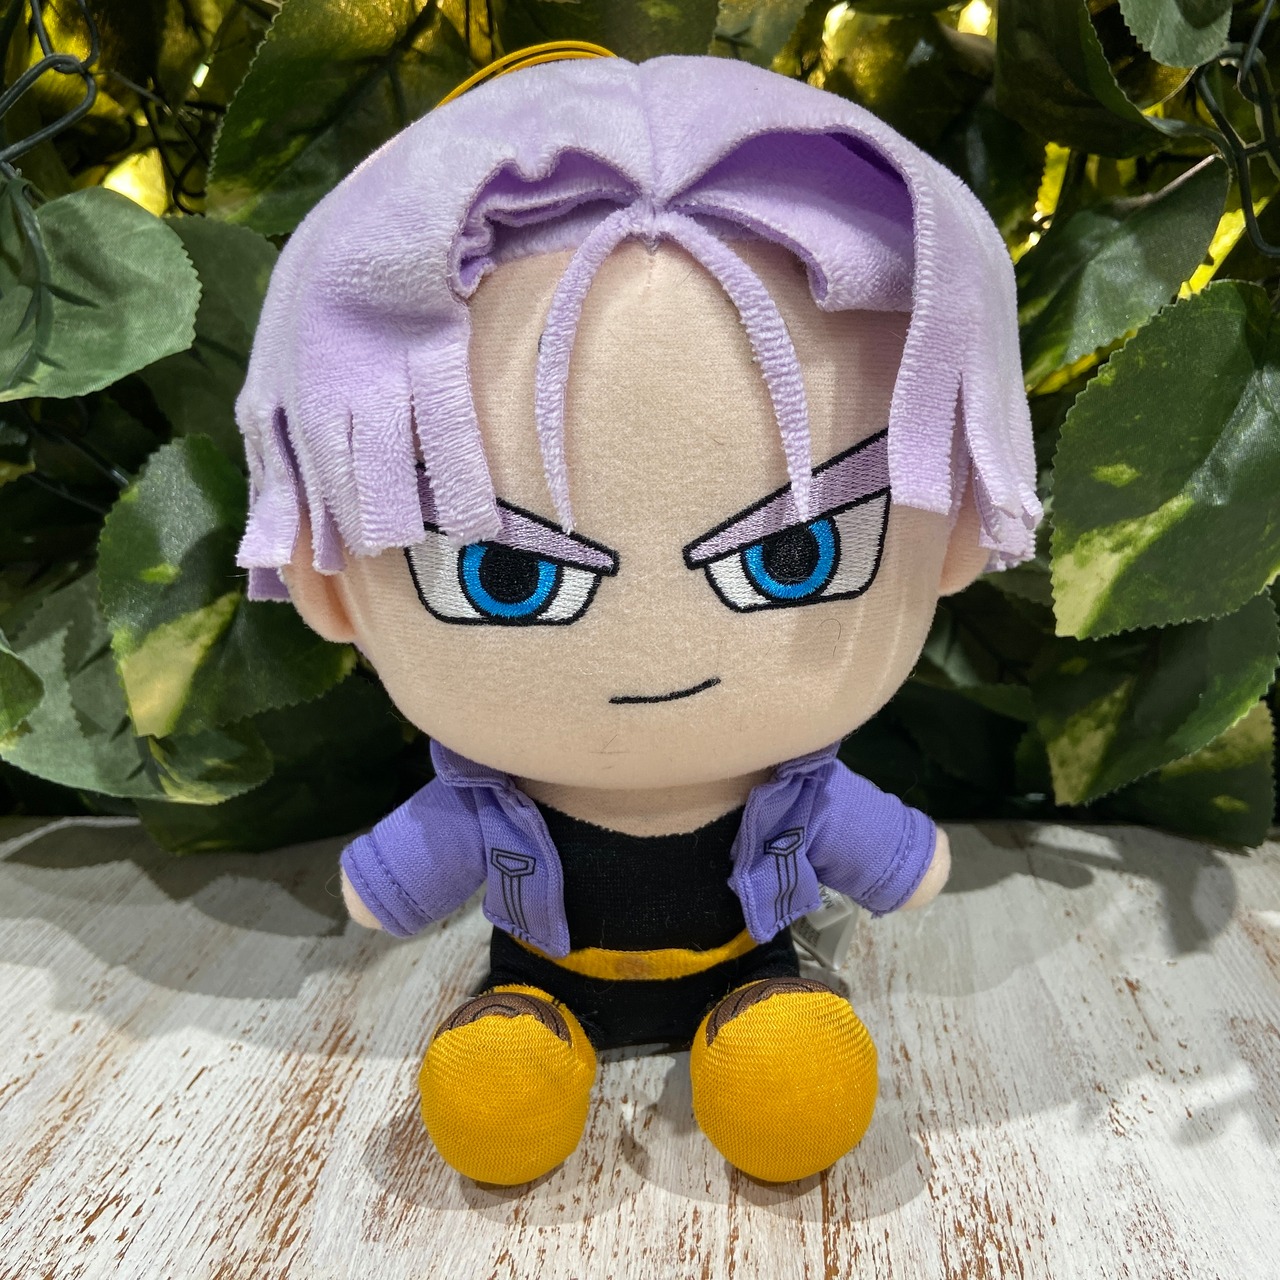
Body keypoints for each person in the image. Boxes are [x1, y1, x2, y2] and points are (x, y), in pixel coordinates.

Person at [235, 51, 1040, 1187]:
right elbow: (391, 885)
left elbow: (890, 862)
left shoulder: (794, 791)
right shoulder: (490, 800)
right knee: (503, 1077)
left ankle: (763, 1038)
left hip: (748, 964)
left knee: (787, 1064)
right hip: (544, 974)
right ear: (327, 576)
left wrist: (894, 860)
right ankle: (525, 1046)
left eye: (794, 554)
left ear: (951, 528)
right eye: (505, 575)